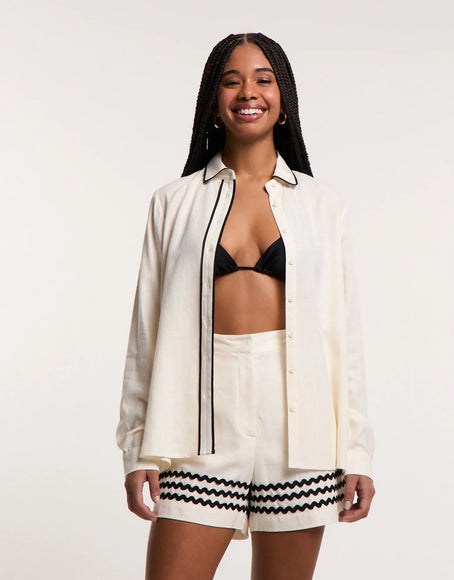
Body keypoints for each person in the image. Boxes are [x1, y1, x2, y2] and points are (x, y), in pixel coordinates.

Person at [116, 32, 375, 580]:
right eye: (231, 81)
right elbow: (146, 335)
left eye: (263, 79)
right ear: (213, 102)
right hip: (195, 427)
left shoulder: (322, 206)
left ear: (284, 99)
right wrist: (137, 447)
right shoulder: (174, 202)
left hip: (300, 433)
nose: (248, 92)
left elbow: (343, 337)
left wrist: (357, 452)